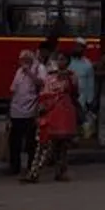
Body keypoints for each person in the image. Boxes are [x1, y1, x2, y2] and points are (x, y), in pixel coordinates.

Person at [24, 52, 79, 183]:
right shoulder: (50, 77)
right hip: (51, 113)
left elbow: (75, 92)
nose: (60, 62)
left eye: (63, 59)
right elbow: (43, 94)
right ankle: (34, 173)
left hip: (64, 114)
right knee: (44, 145)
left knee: (63, 146)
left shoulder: (72, 76)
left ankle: (60, 172)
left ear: (67, 61)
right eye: (58, 59)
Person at [7, 49, 45, 176]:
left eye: (24, 60)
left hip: (31, 111)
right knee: (14, 141)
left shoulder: (39, 68)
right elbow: (13, 89)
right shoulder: (19, 71)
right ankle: (14, 166)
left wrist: (29, 72)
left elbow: (42, 83)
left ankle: (31, 166)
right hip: (16, 110)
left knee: (31, 142)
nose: (22, 62)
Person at [68, 38, 97, 140]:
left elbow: (90, 84)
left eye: (80, 47)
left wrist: (90, 100)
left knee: (81, 121)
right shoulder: (68, 62)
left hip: (82, 98)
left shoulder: (87, 64)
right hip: (68, 96)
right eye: (76, 46)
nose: (77, 49)